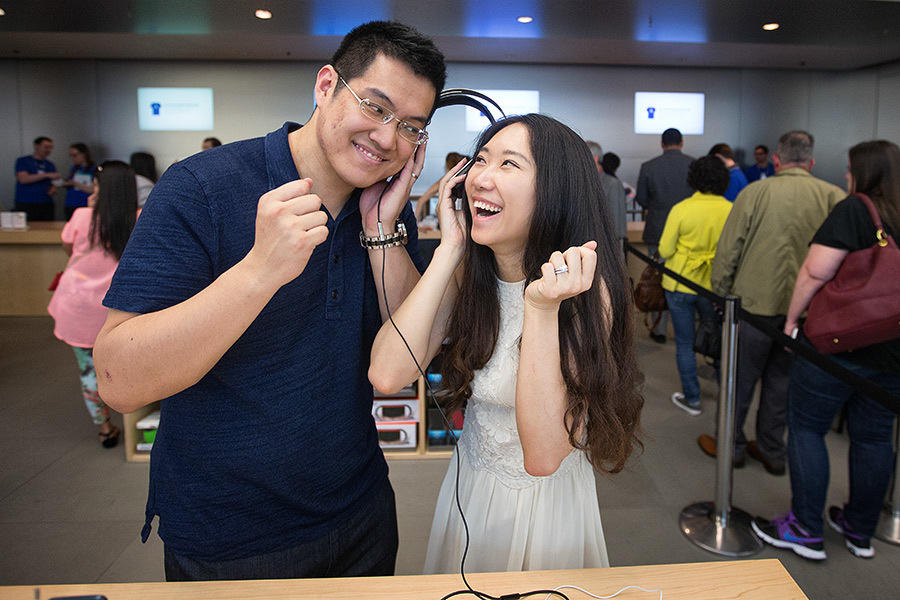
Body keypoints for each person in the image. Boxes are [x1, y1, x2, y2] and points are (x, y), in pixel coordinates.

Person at [93, 21, 446, 581]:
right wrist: (260, 271)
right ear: (326, 85)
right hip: (229, 536)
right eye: (375, 108)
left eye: (410, 128)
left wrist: (382, 229)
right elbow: (117, 379)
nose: (387, 138)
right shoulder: (200, 188)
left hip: (362, 511)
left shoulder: (382, 204)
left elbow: (405, 354)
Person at [369, 114, 645, 573]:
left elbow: (542, 455)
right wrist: (450, 250)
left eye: (509, 164)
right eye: (480, 160)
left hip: (540, 508)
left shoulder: (583, 290)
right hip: (470, 486)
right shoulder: (471, 272)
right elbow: (387, 373)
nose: (481, 177)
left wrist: (539, 310)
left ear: (555, 189)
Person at [752, 140, 900, 561]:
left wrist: (792, 321)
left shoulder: (856, 209)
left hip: (839, 344)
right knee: (874, 437)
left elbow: (816, 271)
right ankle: (859, 529)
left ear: (864, 171)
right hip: (894, 352)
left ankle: (806, 527)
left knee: (807, 428)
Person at [699, 131, 845, 474]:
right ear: (811, 163)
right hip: (807, 312)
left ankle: (731, 446)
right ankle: (770, 449)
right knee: (782, 384)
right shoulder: (834, 197)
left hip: (752, 307)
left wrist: (722, 294)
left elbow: (729, 249)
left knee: (739, 380)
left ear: (777, 160)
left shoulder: (754, 192)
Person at [47, 161, 140, 448]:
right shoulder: (139, 218)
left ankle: (105, 429)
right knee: (132, 366)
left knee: (89, 370)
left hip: (77, 308)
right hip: (121, 308)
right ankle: (137, 420)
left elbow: (67, 247)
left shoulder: (81, 216)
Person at [658, 156, 732, 416]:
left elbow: (665, 249)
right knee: (721, 341)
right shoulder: (731, 209)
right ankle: (729, 397)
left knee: (685, 344)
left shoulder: (682, 208)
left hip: (680, 283)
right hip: (714, 287)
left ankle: (693, 399)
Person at [635, 128, 694, 343]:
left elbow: (641, 199)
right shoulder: (693, 164)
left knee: (657, 278)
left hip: (658, 228)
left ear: (662, 143)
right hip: (689, 229)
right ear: (682, 142)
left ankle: (659, 329)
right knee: (687, 278)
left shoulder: (649, 167)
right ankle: (685, 330)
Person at [587, 141, 627, 249]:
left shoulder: (612, 183)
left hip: (606, 247)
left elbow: (617, 223)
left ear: (595, 158)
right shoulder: (581, 181)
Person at [15, 136, 61, 221]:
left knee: (48, 229)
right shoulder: (23, 161)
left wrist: (54, 187)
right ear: (36, 146)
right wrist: (46, 175)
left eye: (51, 148)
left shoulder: (50, 164)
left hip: (46, 203)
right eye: (46, 147)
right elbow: (23, 179)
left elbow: (54, 182)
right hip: (26, 202)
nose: (48, 150)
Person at [414, 151, 467, 224]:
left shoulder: (444, 181)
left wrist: (415, 225)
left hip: (449, 221)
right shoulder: (469, 179)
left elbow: (421, 200)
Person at [63, 143, 97, 220]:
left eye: (75, 155)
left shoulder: (93, 169)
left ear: (84, 154)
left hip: (84, 203)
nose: (73, 158)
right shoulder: (74, 169)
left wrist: (75, 183)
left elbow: (92, 189)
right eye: (71, 155)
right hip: (70, 203)